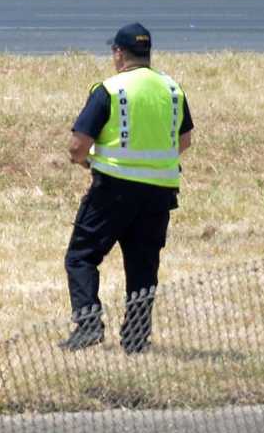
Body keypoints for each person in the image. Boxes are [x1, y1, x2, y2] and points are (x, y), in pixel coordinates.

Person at [61, 22, 193, 354]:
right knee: (143, 267)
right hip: (160, 192)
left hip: (114, 190)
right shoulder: (172, 89)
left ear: (119, 53)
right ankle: (135, 338)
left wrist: (85, 162)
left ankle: (89, 325)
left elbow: (78, 145)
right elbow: (185, 140)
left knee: (81, 256)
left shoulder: (110, 89)